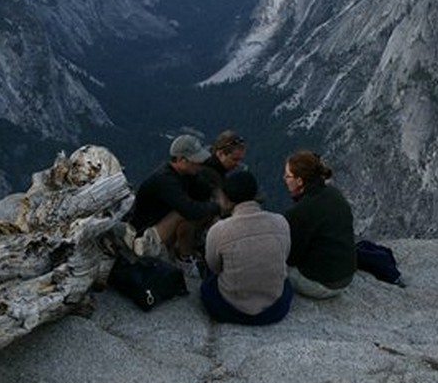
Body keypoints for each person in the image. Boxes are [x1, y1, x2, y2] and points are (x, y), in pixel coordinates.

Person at [201, 170, 292, 325]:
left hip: (231, 310)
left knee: (207, 286)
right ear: (255, 194)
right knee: (287, 283)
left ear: (227, 199)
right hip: (274, 310)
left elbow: (214, 266)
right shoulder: (281, 222)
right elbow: (284, 256)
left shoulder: (219, 229)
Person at [128, 134, 226, 265]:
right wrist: (218, 207)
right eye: (195, 161)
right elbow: (189, 210)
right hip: (144, 233)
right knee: (183, 214)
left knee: (199, 210)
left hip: (161, 224)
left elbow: (204, 189)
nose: (199, 164)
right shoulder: (165, 180)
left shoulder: (185, 174)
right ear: (181, 160)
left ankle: (186, 252)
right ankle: (179, 257)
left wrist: (218, 195)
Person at [282, 150, 356, 298]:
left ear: (300, 181)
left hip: (321, 284)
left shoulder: (299, 212)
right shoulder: (334, 193)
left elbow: (292, 258)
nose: (284, 178)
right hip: (347, 276)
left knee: (273, 266)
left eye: (288, 176)